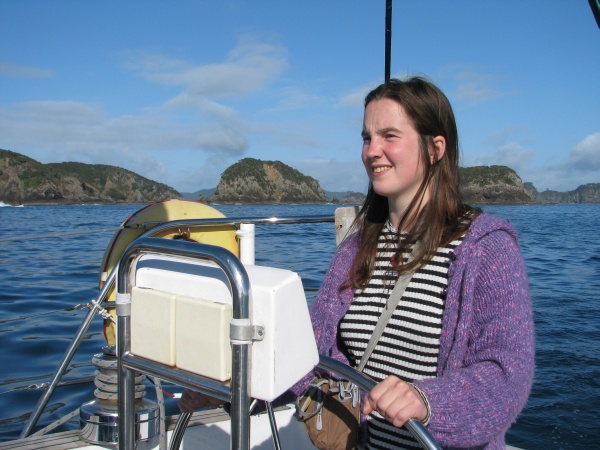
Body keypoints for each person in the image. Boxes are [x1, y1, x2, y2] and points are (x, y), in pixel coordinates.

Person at [291, 76, 535, 449]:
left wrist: (427, 401)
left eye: (389, 136)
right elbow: (313, 352)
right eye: (367, 138)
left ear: (435, 148)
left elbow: (507, 378)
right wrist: (237, 385)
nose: (372, 151)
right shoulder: (357, 246)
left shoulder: (486, 249)